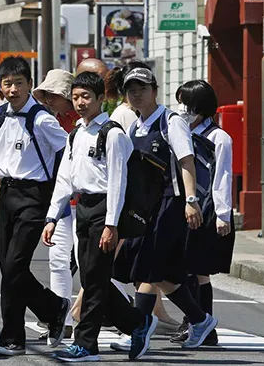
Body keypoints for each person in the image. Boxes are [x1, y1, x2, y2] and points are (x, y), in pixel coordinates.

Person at [111, 67, 218, 354]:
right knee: (161, 275)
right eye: (131, 90)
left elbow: (187, 162)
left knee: (147, 268)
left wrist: (191, 201)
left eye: (142, 89)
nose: (136, 94)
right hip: (144, 209)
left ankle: (139, 329)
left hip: (171, 204)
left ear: (154, 91)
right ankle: (200, 319)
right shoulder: (135, 127)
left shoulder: (171, 122)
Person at [43, 72, 149, 362]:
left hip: (105, 210)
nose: (79, 103)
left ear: (102, 99)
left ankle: (86, 344)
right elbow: (64, 178)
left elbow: (118, 181)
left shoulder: (112, 133)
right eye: (75, 97)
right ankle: (137, 322)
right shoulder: (76, 133)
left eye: (86, 97)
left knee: (94, 280)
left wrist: (111, 225)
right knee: (93, 279)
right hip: (83, 209)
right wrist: (52, 216)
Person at [0, 57, 70, 356]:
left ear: (29, 85)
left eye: (19, 84)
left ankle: (46, 313)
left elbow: (68, 152)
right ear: (0, 86)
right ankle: (16, 335)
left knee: (15, 267)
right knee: (9, 268)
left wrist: (60, 193)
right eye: (7, 84)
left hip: (35, 196)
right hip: (7, 194)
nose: (13, 90)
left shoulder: (42, 119)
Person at [171, 80, 235, 346]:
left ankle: (204, 324)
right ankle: (193, 320)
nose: (182, 110)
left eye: (186, 104)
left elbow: (223, 177)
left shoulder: (219, 138)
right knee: (182, 268)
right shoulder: (180, 131)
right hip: (183, 207)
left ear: (200, 107)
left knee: (200, 269)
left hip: (207, 209)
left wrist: (222, 214)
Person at [31, 69, 78, 342]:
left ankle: (121, 314)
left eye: (53, 95)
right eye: (45, 95)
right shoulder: (46, 120)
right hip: (60, 200)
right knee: (58, 261)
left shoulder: (84, 120)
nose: (48, 100)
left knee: (92, 263)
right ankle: (62, 319)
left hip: (86, 201)